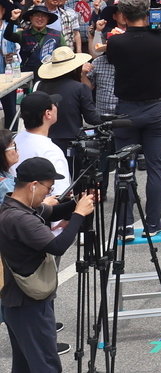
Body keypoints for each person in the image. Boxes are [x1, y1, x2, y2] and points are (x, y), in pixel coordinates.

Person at [0, 158, 96, 372]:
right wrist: (79, 214)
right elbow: (58, 245)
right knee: (46, 365)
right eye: (48, 187)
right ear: (33, 185)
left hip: (17, 301)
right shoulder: (19, 218)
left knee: (24, 365)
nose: (49, 192)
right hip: (29, 304)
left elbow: (54, 212)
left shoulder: (14, 205)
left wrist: (77, 202)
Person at [105, 0, 161, 240]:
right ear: (147, 12)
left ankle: (125, 225)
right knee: (157, 167)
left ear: (123, 15)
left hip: (126, 108)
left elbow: (114, 59)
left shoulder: (115, 42)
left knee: (125, 167)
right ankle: (153, 223)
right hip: (157, 107)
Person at [13, 94, 71, 199]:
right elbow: (60, 196)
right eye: (55, 105)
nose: (57, 107)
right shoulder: (51, 151)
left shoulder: (14, 140)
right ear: (48, 114)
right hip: (41, 212)